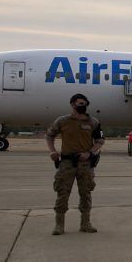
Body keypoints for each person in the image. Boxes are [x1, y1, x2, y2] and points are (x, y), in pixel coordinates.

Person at [45, 93, 104, 235]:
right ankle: (59, 225)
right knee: (62, 193)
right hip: (66, 163)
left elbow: (100, 141)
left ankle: (86, 223)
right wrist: (52, 151)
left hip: (85, 163)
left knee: (86, 193)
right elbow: (49, 135)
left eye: (85, 104)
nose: (83, 106)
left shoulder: (93, 122)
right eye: (80, 103)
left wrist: (90, 153)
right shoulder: (63, 121)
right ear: (72, 104)